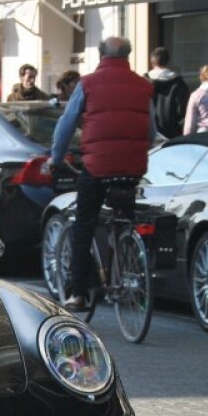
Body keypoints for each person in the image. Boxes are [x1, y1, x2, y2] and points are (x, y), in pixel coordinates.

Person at [49, 36, 155, 311]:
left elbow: (67, 124)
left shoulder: (87, 84)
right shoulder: (144, 86)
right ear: (128, 56)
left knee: (83, 224)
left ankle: (78, 294)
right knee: (125, 215)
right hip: (132, 168)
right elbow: (151, 132)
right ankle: (127, 252)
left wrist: (56, 157)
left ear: (100, 56)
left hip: (97, 167)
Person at [147, 47, 189, 139]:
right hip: (172, 134)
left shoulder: (143, 82)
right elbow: (182, 112)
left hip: (148, 133)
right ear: (168, 61)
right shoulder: (178, 83)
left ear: (152, 61)